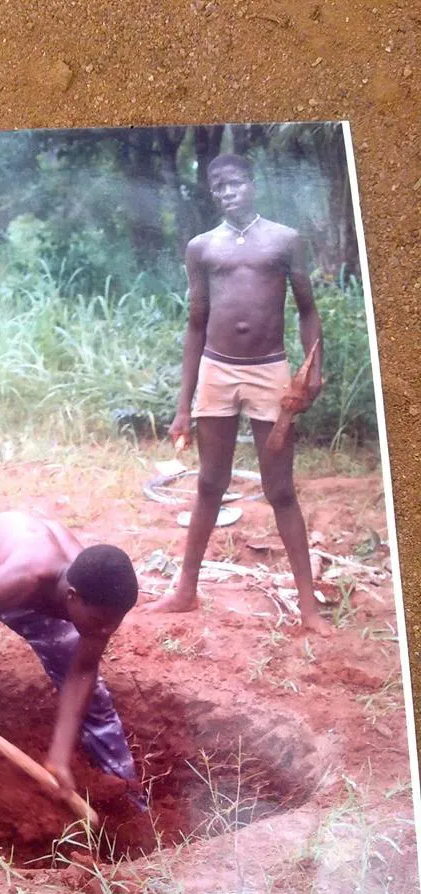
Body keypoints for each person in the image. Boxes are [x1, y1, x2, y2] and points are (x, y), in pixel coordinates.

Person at [149, 153, 330, 636]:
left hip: (271, 370)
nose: (227, 193)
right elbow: (195, 324)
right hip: (217, 370)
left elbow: (307, 309)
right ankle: (185, 590)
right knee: (210, 483)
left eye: (235, 184)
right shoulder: (202, 248)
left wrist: (314, 369)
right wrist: (183, 406)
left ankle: (308, 607)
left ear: (252, 184)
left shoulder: (285, 240)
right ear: (212, 194)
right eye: (218, 188)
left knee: (281, 490)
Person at [0, 511, 143, 849]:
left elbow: (80, 672)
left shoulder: (102, 604)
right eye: (100, 623)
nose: (107, 632)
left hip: (39, 589)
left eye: (115, 622)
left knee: (93, 700)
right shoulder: (22, 577)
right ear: (72, 597)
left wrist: (60, 755)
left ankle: (132, 809)